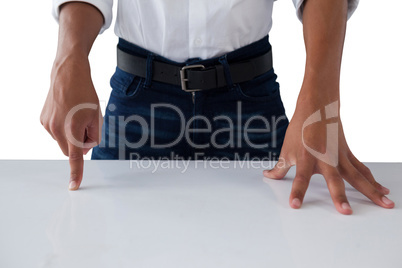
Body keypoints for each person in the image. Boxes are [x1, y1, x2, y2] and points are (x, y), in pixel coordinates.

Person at [40, 0, 394, 214]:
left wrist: (321, 99)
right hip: (139, 101)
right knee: (105, 242)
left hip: (249, 103)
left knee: (284, 242)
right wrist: (69, 58)